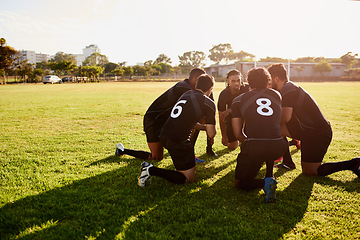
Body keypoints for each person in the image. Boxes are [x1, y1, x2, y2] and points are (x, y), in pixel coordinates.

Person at [268, 63, 360, 177]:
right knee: (276, 128)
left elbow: (285, 117)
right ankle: (287, 162)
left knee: (311, 171)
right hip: (307, 131)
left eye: (269, 80)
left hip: (318, 133)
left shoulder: (288, 89)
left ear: (276, 78)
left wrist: (265, 120)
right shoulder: (287, 88)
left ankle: (353, 164)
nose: (269, 83)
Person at [115, 68, 214, 160]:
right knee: (156, 157)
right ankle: (122, 150)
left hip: (169, 121)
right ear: (196, 79)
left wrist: (209, 144)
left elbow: (207, 114)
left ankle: (189, 153)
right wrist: (205, 128)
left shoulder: (199, 91)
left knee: (197, 119)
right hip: (154, 120)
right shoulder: (184, 88)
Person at [138, 74, 217, 186]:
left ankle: (173, 169)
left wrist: (204, 127)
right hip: (179, 140)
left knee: (182, 170)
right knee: (188, 178)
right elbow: (211, 133)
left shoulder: (187, 94)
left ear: (197, 85)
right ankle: (150, 170)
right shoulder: (208, 102)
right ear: (211, 88)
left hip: (165, 134)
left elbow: (189, 121)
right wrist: (213, 129)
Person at [232, 68, 287, 203]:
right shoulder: (277, 95)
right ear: (268, 81)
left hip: (255, 147)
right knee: (268, 136)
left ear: (249, 83)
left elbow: (238, 134)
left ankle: (264, 184)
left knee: (239, 182)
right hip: (279, 146)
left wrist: (250, 143)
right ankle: (269, 174)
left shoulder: (238, 100)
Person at [218, 69, 249, 150]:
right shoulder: (224, 94)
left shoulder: (247, 89)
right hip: (233, 119)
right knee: (232, 146)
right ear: (228, 81)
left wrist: (230, 110)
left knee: (248, 143)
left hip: (248, 117)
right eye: (233, 81)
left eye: (238, 80)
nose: (236, 83)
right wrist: (224, 136)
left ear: (241, 79)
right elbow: (222, 116)